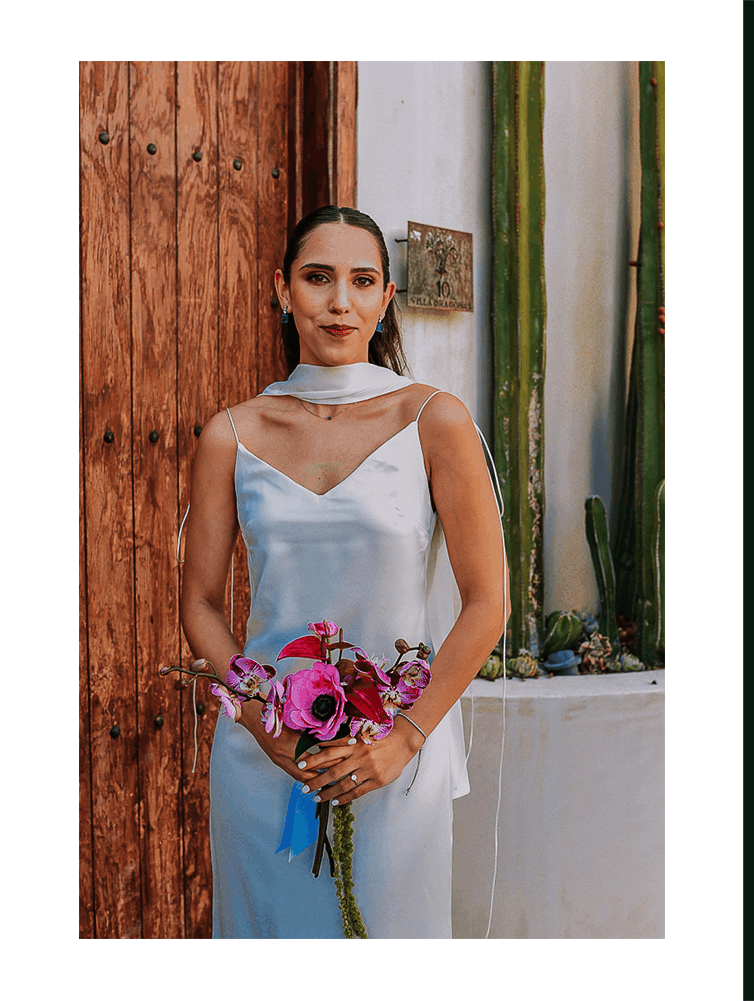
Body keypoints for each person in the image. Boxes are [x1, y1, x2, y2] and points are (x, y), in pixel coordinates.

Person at [180, 206, 508, 937]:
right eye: (317, 278)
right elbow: (200, 604)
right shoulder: (230, 434)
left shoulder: (435, 420)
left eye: (362, 281)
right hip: (264, 763)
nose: (339, 302)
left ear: (386, 298)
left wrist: (405, 737)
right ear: (282, 289)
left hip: (392, 758)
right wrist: (266, 723)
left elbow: (488, 602)